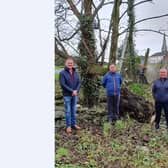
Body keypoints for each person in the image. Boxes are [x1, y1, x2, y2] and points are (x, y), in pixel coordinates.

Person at [59, 57, 81, 133]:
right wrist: (72, 91)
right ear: (66, 63)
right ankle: (68, 126)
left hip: (74, 94)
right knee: (68, 111)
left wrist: (76, 90)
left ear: (73, 64)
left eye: (71, 63)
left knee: (73, 110)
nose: (70, 64)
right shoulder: (62, 73)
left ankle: (73, 124)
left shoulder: (76, 72)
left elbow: (79, 82)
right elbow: (63, 84)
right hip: (67, 95)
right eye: (68, 63)